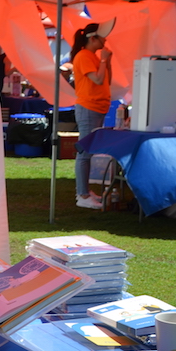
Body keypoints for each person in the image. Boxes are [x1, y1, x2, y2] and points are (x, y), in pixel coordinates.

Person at [69, 19, 115, 210]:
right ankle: (82, 194)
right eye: (103, 37)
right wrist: (104, 60)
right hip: (89, 108)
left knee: (88, 152)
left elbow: (105, 81)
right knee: (85, 153)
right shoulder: (84, 56)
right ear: (93, 38)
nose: (105, 40)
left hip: (96, 108)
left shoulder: (92, 56)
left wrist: (106, 62)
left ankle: (85, 191)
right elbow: (97, 79)